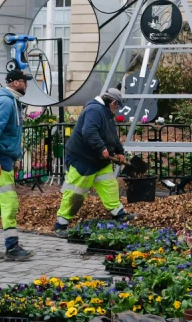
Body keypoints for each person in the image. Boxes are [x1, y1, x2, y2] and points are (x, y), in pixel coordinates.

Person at [53, 88, 135, 236]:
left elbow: (112, 136)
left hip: (99, 161)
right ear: (113, 102)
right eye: (117, 105)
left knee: (110, 186)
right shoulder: (94, 110)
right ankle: (61, 225)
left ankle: (119, 214)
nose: (117, 109)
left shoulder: (106, 113)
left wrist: (120, 151)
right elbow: (89, 131)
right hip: (83, 160)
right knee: (75, 193)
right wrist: (101, 148)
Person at [0, 70, 34, 261]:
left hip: (4, 156)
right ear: (16, 82)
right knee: (9, 201)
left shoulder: (13, 101)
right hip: (0, 158)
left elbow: (13, 134)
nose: (27, 85)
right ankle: (12, 247)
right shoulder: (6, 102)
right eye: (24, 81)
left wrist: (17, 157)